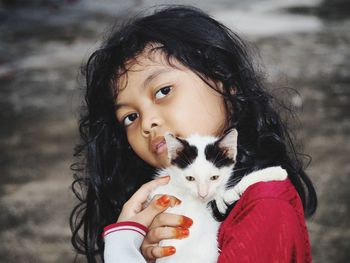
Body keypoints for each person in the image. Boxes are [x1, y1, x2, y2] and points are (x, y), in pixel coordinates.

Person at [70, 5, 317, 263]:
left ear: (226, 82)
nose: (147, 123)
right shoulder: (170, 208)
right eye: (130, 117)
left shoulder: (266, 206)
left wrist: (122, 247)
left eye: (163, 91)